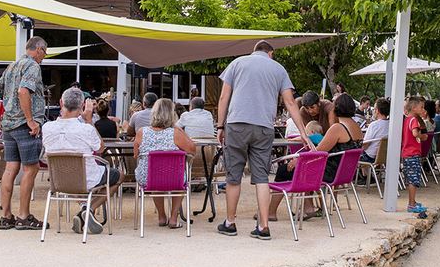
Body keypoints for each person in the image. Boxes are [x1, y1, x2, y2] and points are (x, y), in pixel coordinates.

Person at [216, 41, 311, 240]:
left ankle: (230, 222)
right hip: (264, 127)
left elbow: (224, 97)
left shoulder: (237, 63)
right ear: (271, 53)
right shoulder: (278, 69)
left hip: (237, 124)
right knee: (261, 177)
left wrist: (220, 126)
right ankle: (264, 226)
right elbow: (290, 102)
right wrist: (303, 131)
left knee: (234, 175)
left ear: (254, 51)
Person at [266, 94, 364, 222]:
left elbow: (317, 153)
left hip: (329, 173)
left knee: (283, 170)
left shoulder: (337, 128)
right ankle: (308, 207)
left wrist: (297, 160)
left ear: (336, 108)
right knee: (309, 169)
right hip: (343, 173)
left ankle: (271, 213)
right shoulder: (357, 128)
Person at [0, 36, 49, 231]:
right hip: (24, 126)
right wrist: (30, 120)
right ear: (38, 49)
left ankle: (6, 216)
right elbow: (23, 92)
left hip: (8, 126)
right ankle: (23, 216)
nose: (44, 57)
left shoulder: (12, 66)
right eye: (44, 53)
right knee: (31, 169)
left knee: (10, 169)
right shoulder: (32, 66)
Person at [42, 87, 120, 234]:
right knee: (118, 175)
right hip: (85, 179)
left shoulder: (47, 128)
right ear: (82, 105)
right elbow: (101, 148)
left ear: (60, 102)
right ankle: (88, 209)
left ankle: (86, 209)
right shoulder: (86, 129)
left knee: (94, 175)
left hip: (58, 180)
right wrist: (89, 120)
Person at [134, 98, 196, 228]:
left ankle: (162, 216)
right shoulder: (176, 133)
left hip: (148, 179)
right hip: (174, 179)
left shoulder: (141, 132)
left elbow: (136, 155)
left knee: (155, 172)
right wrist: (180, 130)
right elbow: (192, 150)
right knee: (179, 177)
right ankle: (173, 218)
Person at [400, 97, 429, 214]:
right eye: (421, 107)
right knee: (413, 179)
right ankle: (411, 204)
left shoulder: (407, 119)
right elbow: (415, 133)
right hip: (412, 153)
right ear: (414, 108)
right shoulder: (414, 120)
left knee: (411, 178)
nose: (423, 109)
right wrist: (423, 137)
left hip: (407, 153)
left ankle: (413, 202)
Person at [361, 98, 391, 163]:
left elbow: (365, 146)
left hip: (370, 157)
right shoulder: (390, 125)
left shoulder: (374, 125)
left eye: (374, 109)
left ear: (377, 111)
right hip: (384, 157)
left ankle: (365, 173)